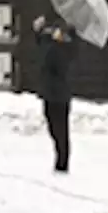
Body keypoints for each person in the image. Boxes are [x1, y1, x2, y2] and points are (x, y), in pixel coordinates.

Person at [34, 15, 77, 173]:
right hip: (49, 93)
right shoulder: (54, 45)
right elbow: (43, 48)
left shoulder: (68, 48)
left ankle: (62, 163)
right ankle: (60, 159)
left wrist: (57, 42)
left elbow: (56, 64)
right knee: (52, 127)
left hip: (60, 95)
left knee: (61, 130)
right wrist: (39, 32)